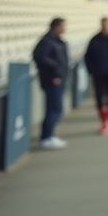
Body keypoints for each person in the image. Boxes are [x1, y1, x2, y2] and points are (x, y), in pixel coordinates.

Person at [32, 17, 69, 149]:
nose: (65, 29)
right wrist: (55, 71)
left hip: (59, 79)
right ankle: (46, 137)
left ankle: (49, 135)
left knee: (55, 109)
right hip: (52, 80)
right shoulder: (47, 41)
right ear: (57, 27)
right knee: (55, 109)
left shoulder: (57, 41)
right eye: (63, 26)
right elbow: (40, 57)